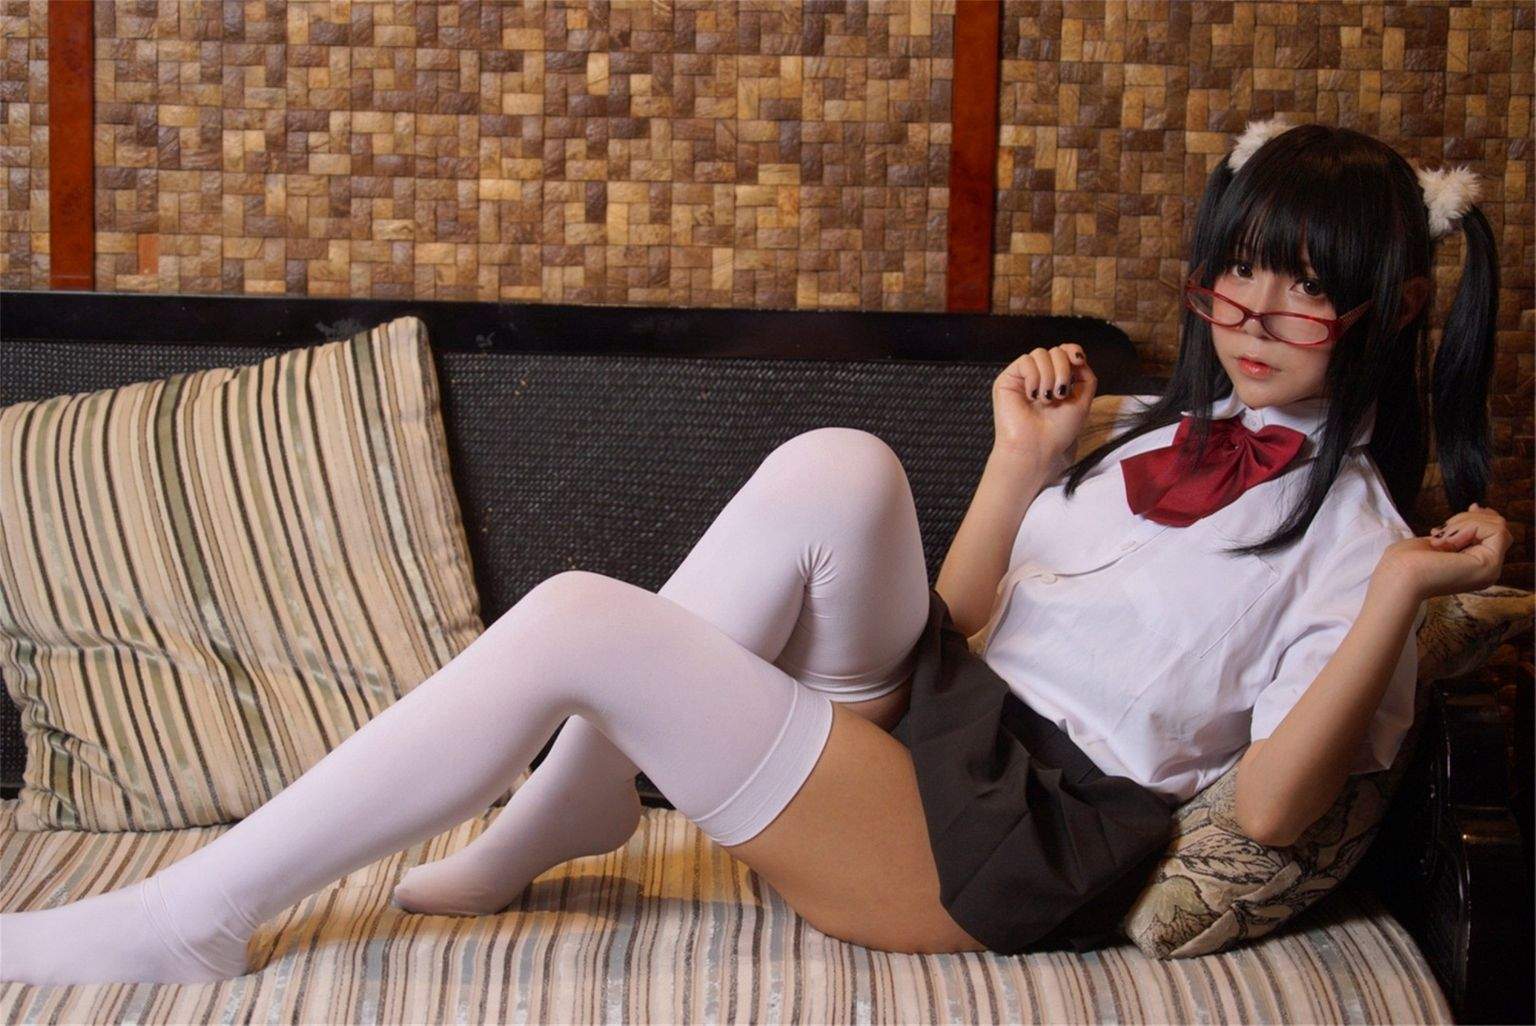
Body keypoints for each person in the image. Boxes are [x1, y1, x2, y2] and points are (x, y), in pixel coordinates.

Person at [0, 119, 1512, 985]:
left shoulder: (1362, 546)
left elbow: (1274, 806)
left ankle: (203, 912)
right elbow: (959, 621)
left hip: (994, 840)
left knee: (581, 618)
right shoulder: (1130, 434)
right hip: (941, 723)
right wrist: (1020, 462)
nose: (1250, 319)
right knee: (840, 464)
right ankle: (580, 800)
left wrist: (1395, 595)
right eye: (1234, 276)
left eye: (1299, 291)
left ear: (1384, 310)